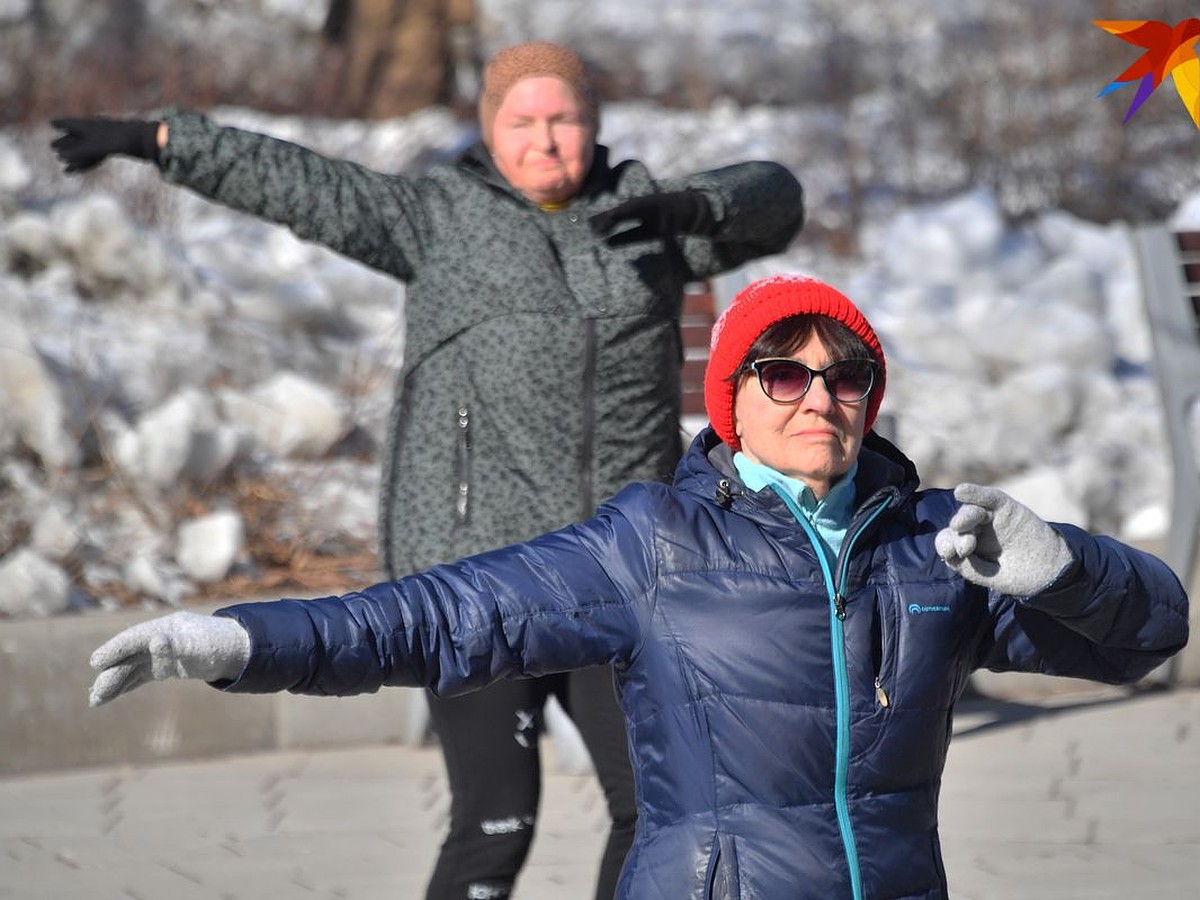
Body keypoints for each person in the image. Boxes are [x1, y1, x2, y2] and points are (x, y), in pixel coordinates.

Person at [88, 273, 1189, 900]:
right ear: (735, 403)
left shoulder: (937, 543)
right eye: (785, 372)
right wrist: (241, 641)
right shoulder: (654, 542)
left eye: (847, 374)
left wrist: (1068, 568)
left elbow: (1149, 637)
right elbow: (438, 617)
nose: (821, 396)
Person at [51, 41, 805, 900]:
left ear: (594, 127)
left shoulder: (650, 223)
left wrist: (695, 205)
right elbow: (305, 185)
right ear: (490, 129)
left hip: (623, 573)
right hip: (475, 577)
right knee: (494, 825)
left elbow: (778, 198)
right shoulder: (438, 215)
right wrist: (159, 140)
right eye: (524, 120)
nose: (547, 138)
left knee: (659, 814)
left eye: (566, 119)